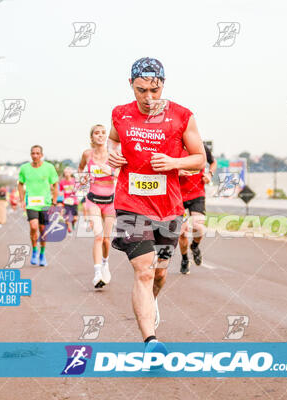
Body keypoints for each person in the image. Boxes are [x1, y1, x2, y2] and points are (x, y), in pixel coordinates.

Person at [107, 57, 205, 353]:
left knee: (160, 273)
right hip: (130, 204)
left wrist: (175, 162)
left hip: (169, 208)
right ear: (131, 86)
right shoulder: (120, 114)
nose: (149, 98)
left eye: (154, 90)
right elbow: (113, 141)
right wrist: (113, 154)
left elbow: (199, 157)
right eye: (141, 91)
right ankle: (151, 340)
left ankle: (151, 301)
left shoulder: (182, 116)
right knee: (145, 271)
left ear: (163, 84)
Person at [78, 125, 117, 288]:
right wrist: (81, 185)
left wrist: (110, 171)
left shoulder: (113, 155)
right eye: (97, 133)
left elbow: (122, 175)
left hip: (110, 201)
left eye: (103, 133)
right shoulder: (87, 154)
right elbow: (80, 169)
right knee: (98, 237)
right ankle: (97, 273)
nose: (100, 136)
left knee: (107, 240)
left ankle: (105, 263)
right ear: (92, 137)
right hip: (92, 200)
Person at [178, 143, 216, 274]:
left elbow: (213, 162)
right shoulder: (173, 147)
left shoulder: (201, 147)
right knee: (182, 232)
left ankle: (195, 246)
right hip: (178, 196)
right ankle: (184, 259)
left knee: (199, 227)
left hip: (197, 193)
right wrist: (176, 172)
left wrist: (210, 174)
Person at [18, 145, 59, 266]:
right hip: (31, 203)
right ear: (31, 155)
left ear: (41, 155)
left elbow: (56, 184)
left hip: (45, 204)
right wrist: (22, 199)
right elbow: (20, 184)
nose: (35, 155)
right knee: (33, 226)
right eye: (33, 153)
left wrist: (54, 201)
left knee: (43, 230)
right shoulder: (24, 168)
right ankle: (34, 251)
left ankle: (42, 253)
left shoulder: (49, 168)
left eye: (37, 153)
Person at [58, 167, 79, 232]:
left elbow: (79, 188)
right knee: (66, 217)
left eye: (68, 172)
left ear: (71, 173)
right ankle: (68, 227)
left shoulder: (75, 181)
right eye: (65, 172)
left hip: (74, 201)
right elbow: (60, 191)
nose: (67, 174)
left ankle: (73, 223)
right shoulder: (62, 182)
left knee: (75, 218)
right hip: (66, 201)